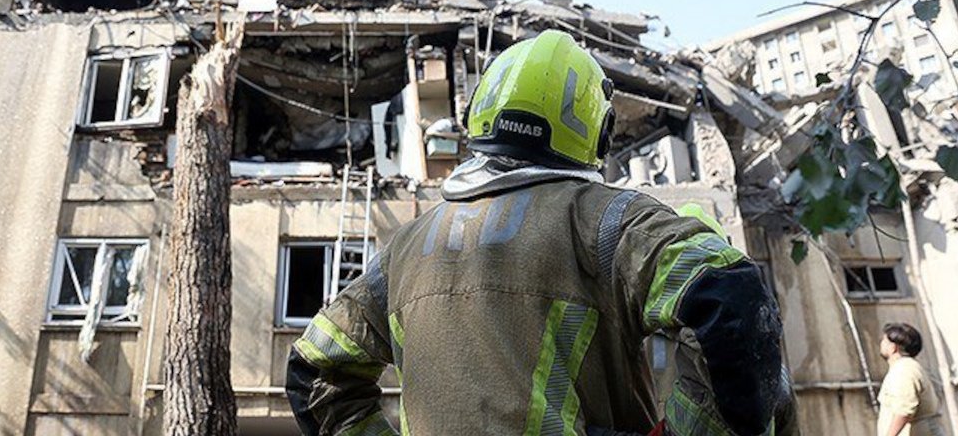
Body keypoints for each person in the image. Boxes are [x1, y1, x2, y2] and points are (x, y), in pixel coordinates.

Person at [286, 29, 787, 435]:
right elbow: (734, 304)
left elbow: (313, 370)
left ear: (477, 117)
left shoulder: (405, 249)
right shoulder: (609, 220)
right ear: (598, 130)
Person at [878, 323, 946, 436]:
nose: (881, 343)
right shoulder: (907, 367)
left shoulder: (904, 370)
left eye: (884, 340)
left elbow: (904, 411)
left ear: (893, 347)